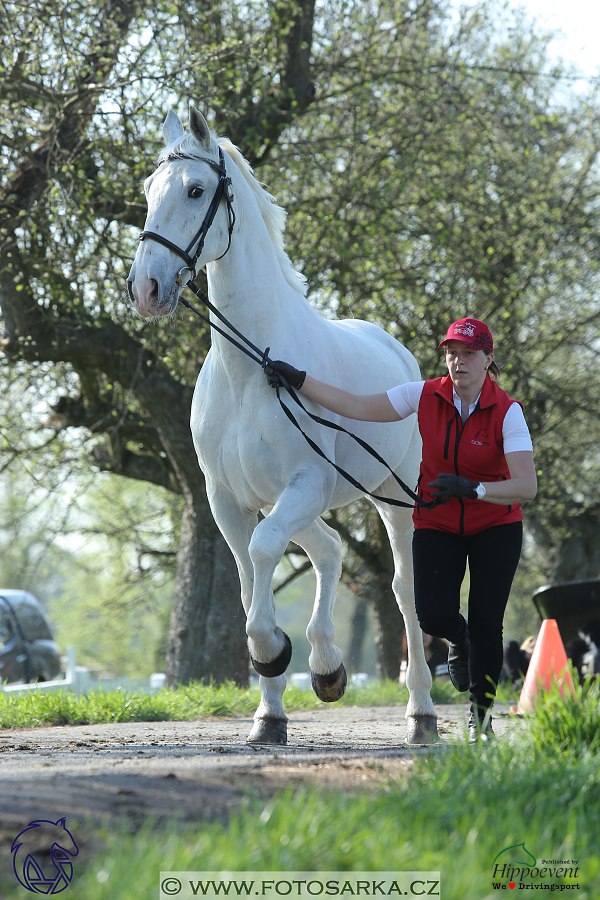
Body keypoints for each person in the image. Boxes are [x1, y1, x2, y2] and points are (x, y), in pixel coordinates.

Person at [264, 317, 537, 743]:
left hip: (494, 526)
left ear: (487, 359)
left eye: (468, 354)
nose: (458, 361)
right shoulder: (424, 394)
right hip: (437, 521)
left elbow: (527, 485)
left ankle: (480, 719)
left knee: (488, 622)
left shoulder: (508, 412)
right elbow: (354, 405)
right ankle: (457, 636)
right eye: (452, 353)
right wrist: (300, 380)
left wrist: (474, 488)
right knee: (432, 614)